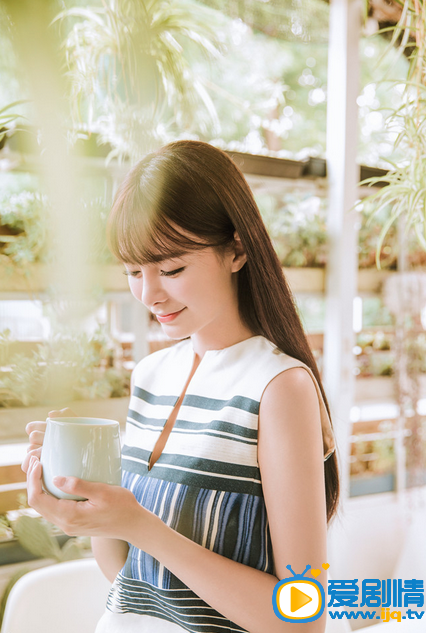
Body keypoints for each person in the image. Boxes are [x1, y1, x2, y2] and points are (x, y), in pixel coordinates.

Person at [23, 140, 339, 633]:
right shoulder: (150, 375)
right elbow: (132, 578)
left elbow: (301, 617)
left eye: (171, 269)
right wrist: (79, 501)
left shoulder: (279, 388)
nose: (150, 294)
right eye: (133, 271)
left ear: (236, 250)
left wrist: (140, 525)